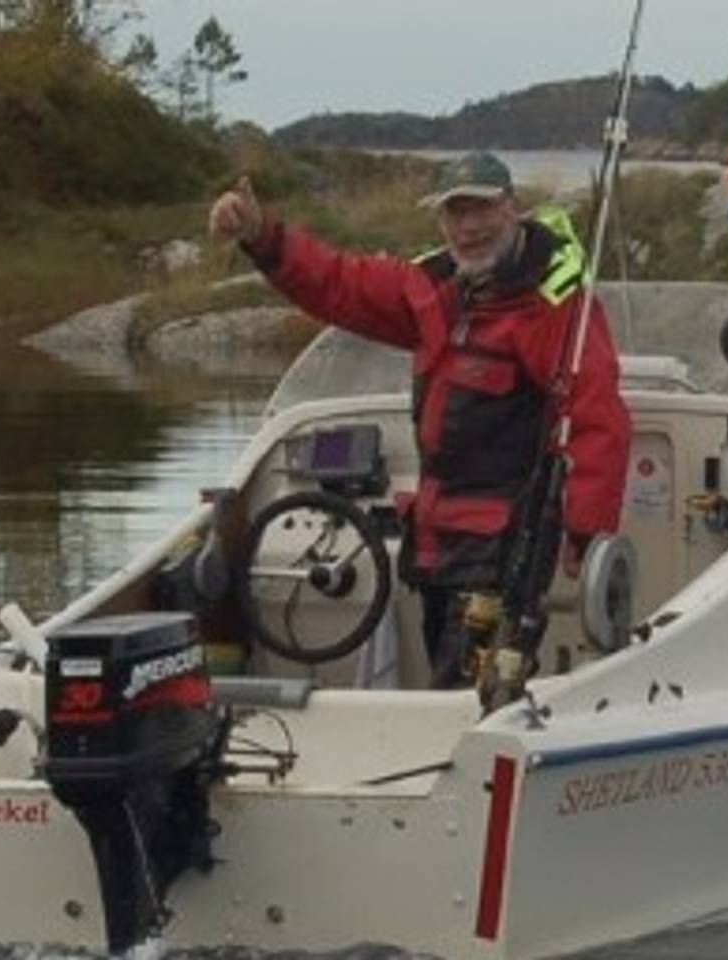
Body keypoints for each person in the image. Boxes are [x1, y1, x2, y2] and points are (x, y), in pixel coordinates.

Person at [209, 151, 630, 687]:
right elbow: (340, 284)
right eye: (455, 212)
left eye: (481, 209)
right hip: (434, 541)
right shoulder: (434, 287)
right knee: (445, 675)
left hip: (505, 547)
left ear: (512, 207)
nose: (468, 227)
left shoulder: (554, 306)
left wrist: (587, 534)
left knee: (472, 690)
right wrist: (263, 238)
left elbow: (598, 418)